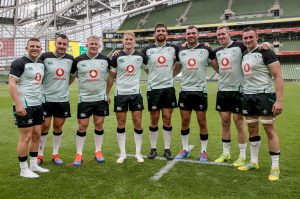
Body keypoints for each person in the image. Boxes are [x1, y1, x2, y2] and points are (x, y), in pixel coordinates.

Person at [237, 27, 283, 182]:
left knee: (269, 130)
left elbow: (277, 76)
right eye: (245, 38)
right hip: (248, 96)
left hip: (264, 95)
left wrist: (279, 100)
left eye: (251, 37)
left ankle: (275, 167)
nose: (248, 40)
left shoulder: (266, 52)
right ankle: (253, 162)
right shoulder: (244, 53)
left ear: (257, 37)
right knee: (252, 128)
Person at [9, 38, 49, 178]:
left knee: (37, 134)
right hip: (25, 105)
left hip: (38, 104)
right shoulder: (19, 63)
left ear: (40, 49)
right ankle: (23, 169)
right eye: (32, 46)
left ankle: (33, 164)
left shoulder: (41, 64)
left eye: (37, 46)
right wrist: (18, 104)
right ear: (26, 47)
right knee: (25, 136)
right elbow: (12, 83)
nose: (35, 48)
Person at [173, 26, 215, 162]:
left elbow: (216, 65)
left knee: (202, 121)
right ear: (186, 36)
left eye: (193, 33)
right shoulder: (181, 50)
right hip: (185, 91)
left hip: (200, 91)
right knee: (184, 121)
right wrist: (167, 78)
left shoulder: (206, 49)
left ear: (198, 35)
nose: (191, 35)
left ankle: (203, 151)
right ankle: (185, 149)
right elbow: (176, 68)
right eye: (188, 33)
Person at [106, 32, 148, 163]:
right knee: (121, 123)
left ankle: (138, 153)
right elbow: (111, 77)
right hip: (120, 94)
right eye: (126, 39)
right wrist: (106, 94)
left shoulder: (141, 56)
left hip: (135, 94)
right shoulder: (116, 57)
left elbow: (149, 70)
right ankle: (123, 154)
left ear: (134, 41)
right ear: (123, 41)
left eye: (131, 39)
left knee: (137, 122)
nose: (129, 41)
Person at [70, 36, 111, 166]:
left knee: (99, 125)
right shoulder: (78, 60)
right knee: (82, 126)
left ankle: (98, 151)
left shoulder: (105, 60)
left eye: (96, 44)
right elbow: (71, 77)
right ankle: (79, 154)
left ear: (99, 45)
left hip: (100, 98)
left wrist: (107, 94)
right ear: (86, 45)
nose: (94, 46)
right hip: (85, 99)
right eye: (91, 44)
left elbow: (113, 74)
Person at [141, 23, 180, 160]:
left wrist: (171, 75)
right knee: (154, 119)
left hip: (168, 88)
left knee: (167, 118)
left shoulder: (174, 48)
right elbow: (142, 65)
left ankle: (167, 149)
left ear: (167, 34)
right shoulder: (147, 50)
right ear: (154, 34)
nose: (161, 33)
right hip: (153, 89)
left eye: (163, 31)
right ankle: (153, 148)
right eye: (158, 31)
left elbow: (180, 64)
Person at [212, 26, 248, 166]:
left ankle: (242, 155)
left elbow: (254, 48)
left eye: (223, 34)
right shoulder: (217, 51)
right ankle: (226, 154)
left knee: (238, 122)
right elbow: (214, 63)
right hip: (222, 90)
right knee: (225, 121)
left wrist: (266, 45)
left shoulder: (239, 46)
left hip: (238, 90)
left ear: (229, 34)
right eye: (219, 35)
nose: (221, 36)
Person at [37, 34, 74, 165]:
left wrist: (63, 86)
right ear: (55, 44)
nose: (62, 46)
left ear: (67, 45)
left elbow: (72, 76)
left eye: (64, 44)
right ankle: (40, 155)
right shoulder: (45, 57)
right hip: (46, 98)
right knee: (45, 126)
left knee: (58, 126)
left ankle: (55, 154)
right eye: (60, 43)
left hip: (62, 99)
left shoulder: (70, 59)